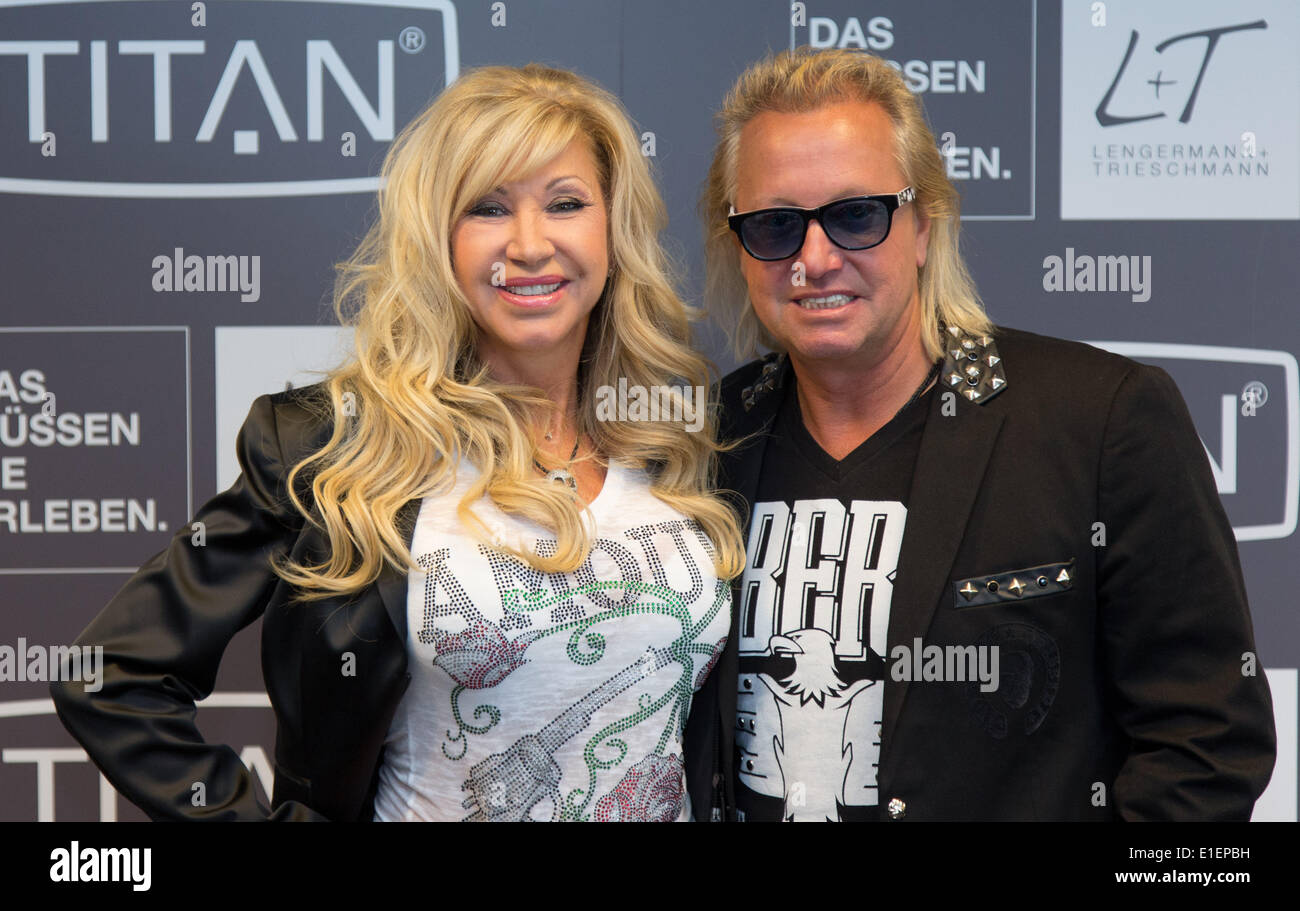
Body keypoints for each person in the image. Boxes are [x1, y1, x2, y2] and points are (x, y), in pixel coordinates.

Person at [51, 63, 745, 822]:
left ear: (612, 228)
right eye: (486, 208)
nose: (530, 243)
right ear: (437, 240)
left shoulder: (681, 436)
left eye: (566, 203)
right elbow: (108, 672)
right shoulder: (335, 447)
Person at [682, 47, 1276, 821]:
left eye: (857, 215)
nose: (816, 259)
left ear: (925, 223)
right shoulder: (706, 442)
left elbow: (1208, 743)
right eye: (775, 226)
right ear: (739, 246)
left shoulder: (1102, 419)